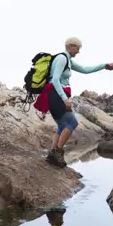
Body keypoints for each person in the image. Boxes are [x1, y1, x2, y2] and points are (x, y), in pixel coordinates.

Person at [34, 37, 107, 168]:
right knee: (72, 123)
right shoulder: (62, 58)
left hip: (56, 95)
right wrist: (64, 98)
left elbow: (85, 69)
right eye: (77, 48)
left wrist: (104, 66)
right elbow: (55, 79)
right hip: (56, 95)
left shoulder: (68, 60)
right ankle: (57, 152)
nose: (78, 52)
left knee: (62, 126)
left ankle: (51, 155)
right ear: (71, 46)